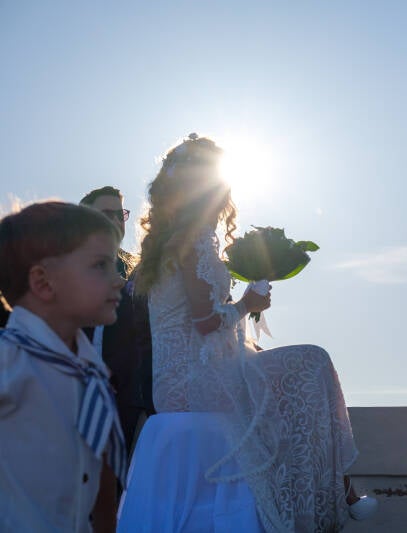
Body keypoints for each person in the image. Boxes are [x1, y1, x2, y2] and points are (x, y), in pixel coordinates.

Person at [132, 134, 376, 532]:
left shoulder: (169, 241)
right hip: (194, 383)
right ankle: (332, 495)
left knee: (281, 370)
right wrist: (247, 305)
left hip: (177, 381)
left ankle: (337, 490)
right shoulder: (192, 242)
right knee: (312, 361)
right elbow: (205, 323)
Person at [0, 201, 127, 532]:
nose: (117, 281)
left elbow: (102, 484)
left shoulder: (92, 375)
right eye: (100, 265)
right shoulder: (8, 362)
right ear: (43, 283)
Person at [80, 186, 155, 452]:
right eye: (106, 214)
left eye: (119, 214)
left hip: (131, 409)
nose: (114, 220)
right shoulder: (62, 273)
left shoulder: (140, 276)